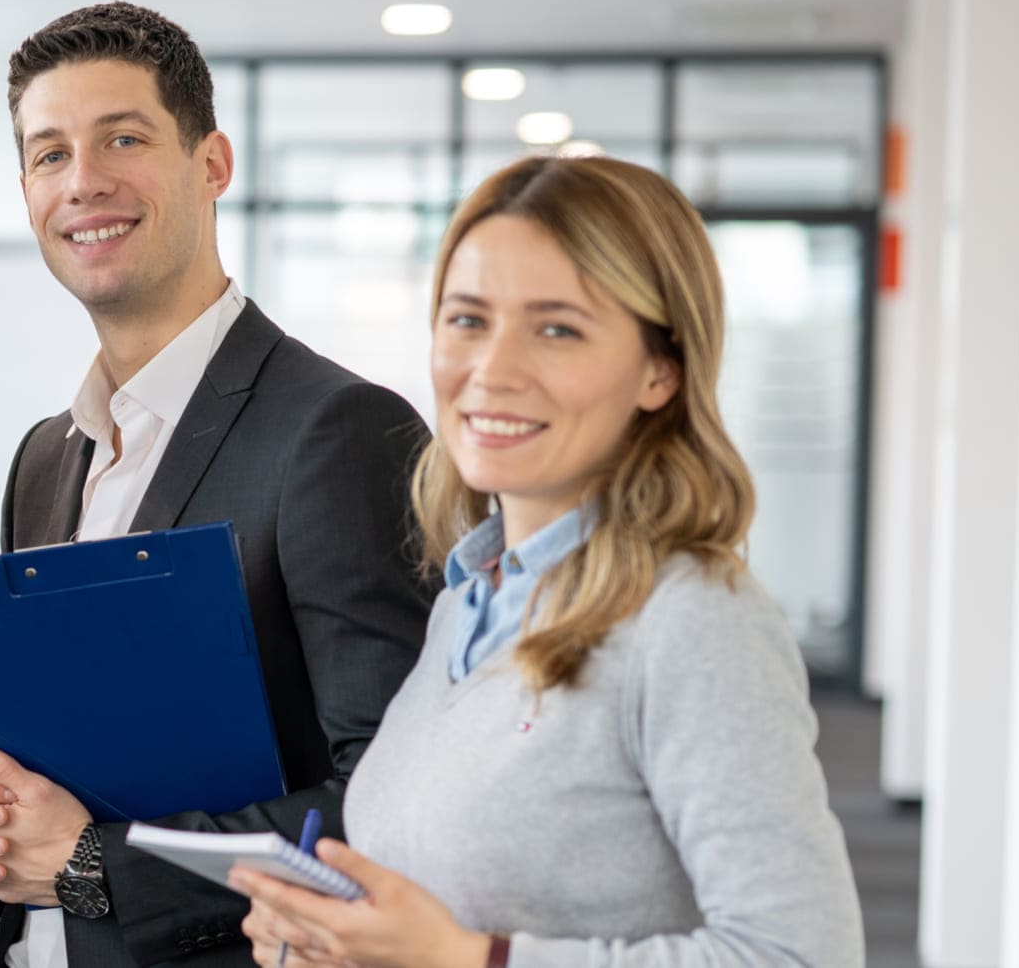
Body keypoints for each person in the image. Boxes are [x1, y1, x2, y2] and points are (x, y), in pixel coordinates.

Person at [228, 155, 864, 968]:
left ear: (660, 369)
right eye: (467, 320)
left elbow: (800, 954)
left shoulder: (693, 617)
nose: (493, 371)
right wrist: (338, 937)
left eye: (557, 328)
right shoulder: (471, 598)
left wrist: (471, 960)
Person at [0, 2, 435, 968]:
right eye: (49, 154)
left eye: (123, 138)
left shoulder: (338, 431)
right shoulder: (46, 457)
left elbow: (392, 801)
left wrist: (92, 864)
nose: (83, 183)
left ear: (212, 164)